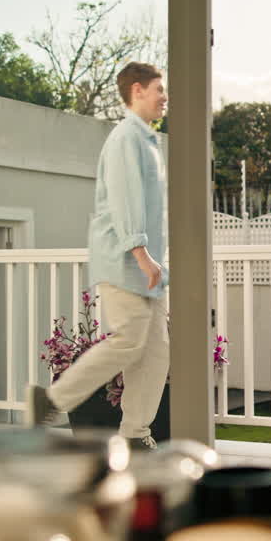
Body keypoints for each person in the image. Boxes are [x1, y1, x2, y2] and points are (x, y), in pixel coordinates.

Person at [27, 61, 170, 450]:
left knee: (155, 352)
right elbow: (126, 199)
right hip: (127, 261)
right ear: (137, 91)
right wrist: (141, 253)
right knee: (129, 341)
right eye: (159, 89)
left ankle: (135, 433)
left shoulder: (147, 140)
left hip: (147, 266)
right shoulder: (126, 138)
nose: (164, 96)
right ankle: (51, 401)